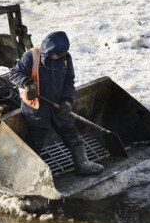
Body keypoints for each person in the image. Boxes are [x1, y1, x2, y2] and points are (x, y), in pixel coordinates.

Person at [9, 31, 104, 176]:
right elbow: (14, 74)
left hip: (57, 105)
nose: (52, 57)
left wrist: (67, 100)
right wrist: (27, 83)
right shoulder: (31, 56)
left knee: (71, 132)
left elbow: (68, 81)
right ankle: (32, 173)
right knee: (35, 141)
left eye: (55, 54)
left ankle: (82, 164)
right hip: (36, 107)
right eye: (49, 54)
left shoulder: (66, 59)